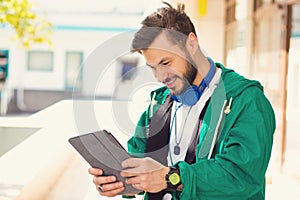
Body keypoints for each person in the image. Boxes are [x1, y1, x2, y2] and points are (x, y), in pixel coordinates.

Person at [88, 2, 276, 200]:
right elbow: (139, 161)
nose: (160, 76)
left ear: (192, 43)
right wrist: (120, 182)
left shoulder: (246, 100)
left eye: (166, 63)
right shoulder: (159, 102)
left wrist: (169, 178)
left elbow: (241, 176)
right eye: (153, 68)